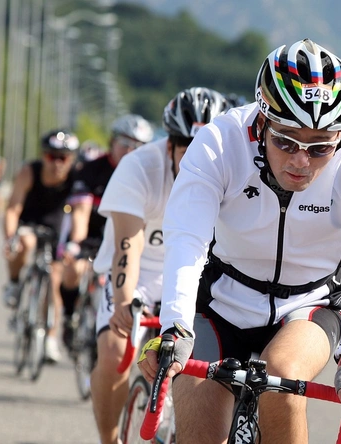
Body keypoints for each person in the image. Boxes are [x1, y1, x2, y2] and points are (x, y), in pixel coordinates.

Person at [136, 39, 341, 442]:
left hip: (309, 303)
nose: (300, 160)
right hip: (222, 299)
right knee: (200, 419)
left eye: (320, 148)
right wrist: (175, 328)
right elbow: (187, 239)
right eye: (285, 141)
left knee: (283, 376)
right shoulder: (220, 142)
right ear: (261, 124)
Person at [88, 92, 227, 444]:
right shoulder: (139, 167)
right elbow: (127, 244)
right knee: (115, 352)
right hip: (142, 273)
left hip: (196, 276)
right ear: (170, 146)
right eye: (189, 150)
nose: (199, 160)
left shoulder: (232, 173)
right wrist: (123, 301)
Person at [58, 113, 154, 349]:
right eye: (125, 143)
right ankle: (69, 316)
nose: (131, 151)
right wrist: (77, 243)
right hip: (91, 234)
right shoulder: (92, 169)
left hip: (125, 237)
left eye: (139, 146)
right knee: (73, 269)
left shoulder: (147, 175)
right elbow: (81, 211)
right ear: (112, 142)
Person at [2, 129, 79, 363]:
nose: (57, 163)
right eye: (51, 156)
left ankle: (50, 338)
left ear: (71, 159)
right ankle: (14, 283)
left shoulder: (76, 178)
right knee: (24, 243)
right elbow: (13, 208)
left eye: (63, 158)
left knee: (54, 280)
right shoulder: (29, 172)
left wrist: (75, 243)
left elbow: (80, 213)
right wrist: (10, 237)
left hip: (57, 228)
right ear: (43, 155)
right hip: (30, 222)